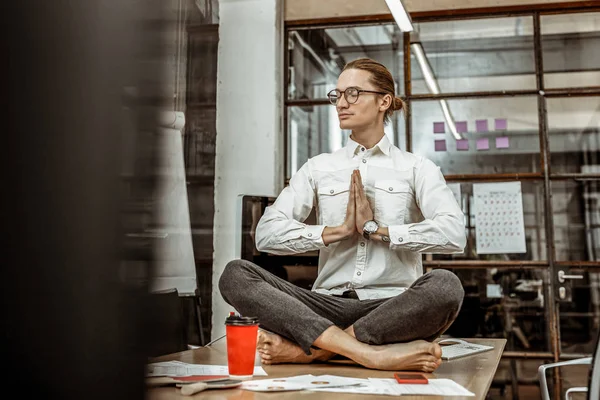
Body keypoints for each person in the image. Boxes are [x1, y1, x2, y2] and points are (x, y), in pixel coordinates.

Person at [219, 58, 466, 372]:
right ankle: (369, 354)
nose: (341, 104)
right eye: (336, 95)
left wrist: (376, 230)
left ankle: (313, 351)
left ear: (384, 101)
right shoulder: (319, 167)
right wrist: (335, 231)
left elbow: (455, 233)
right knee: (236, 274)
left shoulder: (417, 168)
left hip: (391, 309)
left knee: (445, 286)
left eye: (353, 93)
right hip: (324, 306)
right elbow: (266, 233)